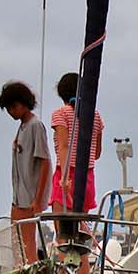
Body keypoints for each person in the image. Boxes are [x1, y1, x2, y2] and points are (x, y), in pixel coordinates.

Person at [0, 80, 50, 264]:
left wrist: (38, 199)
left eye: (13, 107)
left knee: (27, 245)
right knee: (18, 244)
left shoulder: (35, 126)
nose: (12, 112)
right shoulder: (22, 127)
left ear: (23, 103)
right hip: (18, 196)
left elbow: (45, 162)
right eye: (8, 109)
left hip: (29, 198)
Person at [48, 71, 106, 213]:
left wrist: (64, 178)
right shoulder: (95, 116)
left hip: (67, 174)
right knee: (80, 229)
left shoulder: (60, 114)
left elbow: (64, 146)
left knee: (63, 231)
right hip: (87, 177)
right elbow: (96, 153)